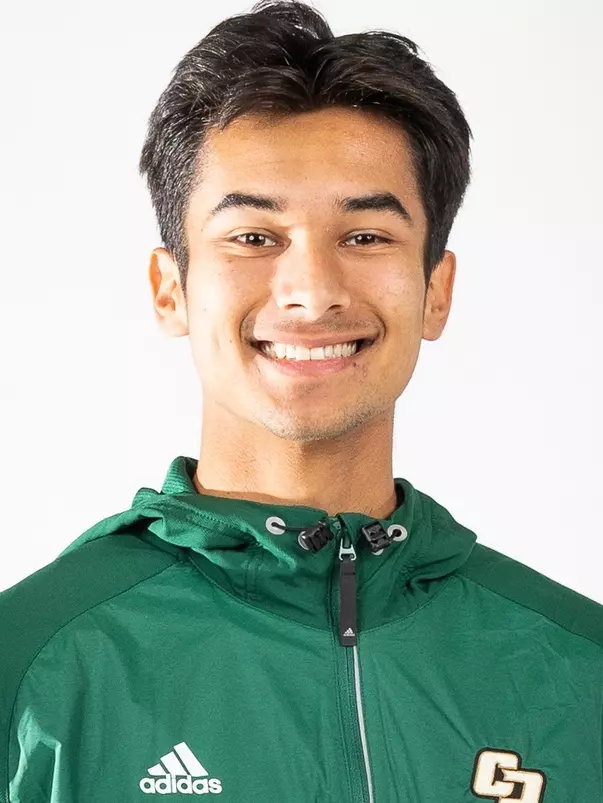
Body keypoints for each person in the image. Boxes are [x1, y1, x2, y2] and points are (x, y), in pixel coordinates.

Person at [1, 1, 601, 800]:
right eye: (253, 237)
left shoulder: (578, 667)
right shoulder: (28, 662)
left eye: (365, 237)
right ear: (171, 288)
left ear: (435, 290)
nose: (312, 292)